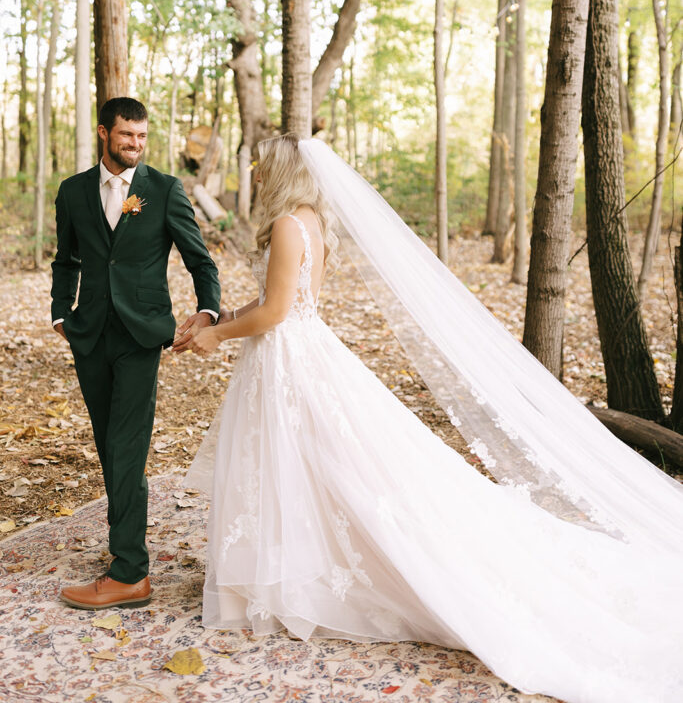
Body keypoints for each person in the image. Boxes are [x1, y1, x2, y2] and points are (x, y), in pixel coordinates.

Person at [176, 134, 683, 703]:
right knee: (308, 465)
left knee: (328, 467)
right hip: (298, 353)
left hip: (291, 361)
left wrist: (217, 335)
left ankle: (301, 575)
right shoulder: (308, 219)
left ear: (284, 171)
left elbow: (275, 311)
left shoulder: (291, 227)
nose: (258, 176)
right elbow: (280, 302)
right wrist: (218, 317)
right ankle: (293, 565)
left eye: (263, 167)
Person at [51, 97, 221, 610]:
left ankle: (130, 570)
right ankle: (123, 544)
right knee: (109, 444)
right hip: (89, 335)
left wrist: (208, 312)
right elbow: (67, 258)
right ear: (104, 133)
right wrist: (61, 313)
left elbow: (200, 260)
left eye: (143, 137)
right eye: (127, 136)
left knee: (126, 448)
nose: (136, 145)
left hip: (141, 336)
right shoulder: (74, 192)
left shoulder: (163, 190)